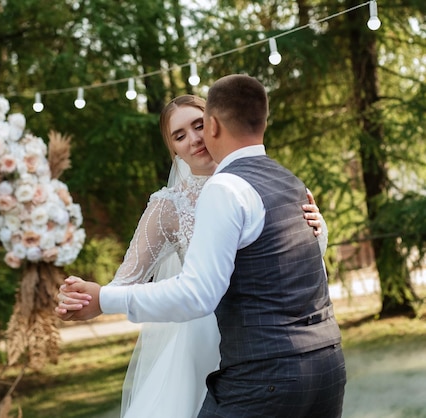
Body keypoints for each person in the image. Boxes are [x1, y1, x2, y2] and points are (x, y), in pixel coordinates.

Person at [56, 75, 346, 418]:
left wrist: (319, 228)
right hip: (201, 342)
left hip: (258, 351)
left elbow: (285, 264)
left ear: (214, 125)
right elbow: (127, 280)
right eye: (180, 136)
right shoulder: (168, 205)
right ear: (173, 150)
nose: (194, 139)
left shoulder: (261, 181)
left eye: (198, 126)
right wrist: (94, 297)